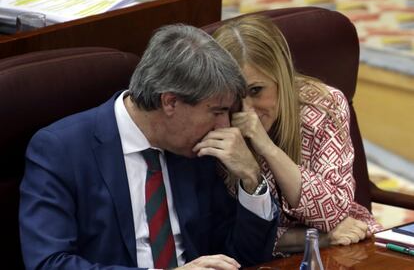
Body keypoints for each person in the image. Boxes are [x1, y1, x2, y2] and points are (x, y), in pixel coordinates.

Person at [19, 24, 279, 270]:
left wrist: (251, 180)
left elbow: (244, 258)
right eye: (217, 111)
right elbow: (49, 263)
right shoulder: (60, 151)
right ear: (170, 102)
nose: (224, 126)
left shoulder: (197, 150)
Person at [209, 15, 382, 255]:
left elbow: (334, 212)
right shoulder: (213, 122)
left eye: (256, 90)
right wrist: (320, 238)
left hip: (347, 246)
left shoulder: (324, 104)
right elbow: (229, 236)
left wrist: (267, 148)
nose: (246, 111)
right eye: (233, 96)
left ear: (282, 77)